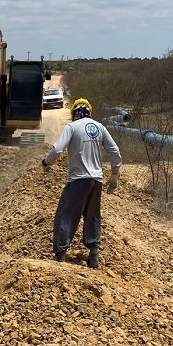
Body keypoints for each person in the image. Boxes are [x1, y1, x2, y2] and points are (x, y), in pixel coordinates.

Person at [42, 98, 121, 269]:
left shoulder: (72, 127)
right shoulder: (100, 127)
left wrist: (46, 163)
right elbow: (114, 151)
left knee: (66, 214)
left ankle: (60, 254)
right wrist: (114, 173)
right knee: (92, 215)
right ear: (89, 112)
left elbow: (56, 149)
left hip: (78, 179)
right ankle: (93, 254)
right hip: (96, 181)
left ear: (73, 113)